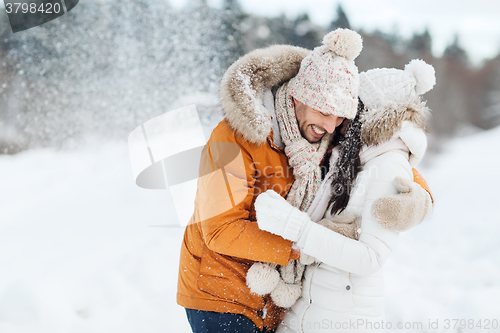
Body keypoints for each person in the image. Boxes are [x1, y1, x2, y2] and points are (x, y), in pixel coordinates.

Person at [177, 28, 433, 333]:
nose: (329, 125)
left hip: (274, 301)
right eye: (324, 112)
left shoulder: (322, 137)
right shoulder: (235, 137)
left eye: (339, 118)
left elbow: (376, 157)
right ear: (300, 95)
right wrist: (301, 245)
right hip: (221, 292)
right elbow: (220, 230)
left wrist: (420, 194)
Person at [254, 60, 436, 332]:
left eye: (349, 108)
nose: (338, 118)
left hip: (342, 319)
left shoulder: (387, 165)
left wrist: (297, 228)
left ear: (368, 112)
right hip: (309, 309)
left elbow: (370, 258)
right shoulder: (350, 157)